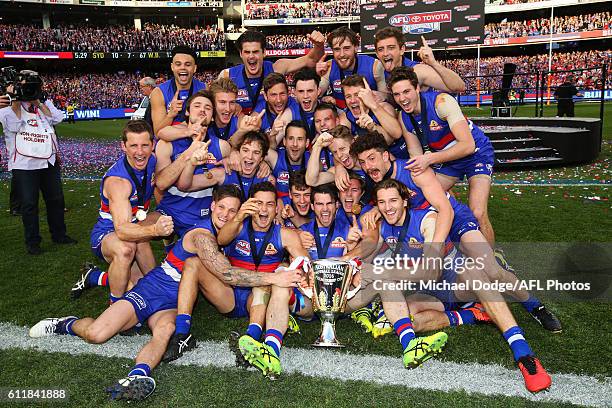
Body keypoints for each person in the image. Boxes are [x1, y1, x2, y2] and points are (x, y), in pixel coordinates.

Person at [362, 179, 552, 393]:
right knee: (402, 321)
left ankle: (525, 348)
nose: (388, 207)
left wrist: (381, 272)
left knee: (477, 272)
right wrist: (352, 263)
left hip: (455, 282)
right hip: (430, 293)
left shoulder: (427, 220)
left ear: (405, 201)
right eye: (382, 202)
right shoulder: (382, 225)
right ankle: (472, 314)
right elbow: (367, 252)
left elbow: (431, 272)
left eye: (393, 201)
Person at [216, 182, 309, 368]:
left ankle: (251, 337)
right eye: (259, 203)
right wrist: (238, 216)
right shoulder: (238, 226)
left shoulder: (286, 234)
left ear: (276, 208)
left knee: (269, 279)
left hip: (263, 292)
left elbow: (305, 262)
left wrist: (298, 270)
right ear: (250, 205)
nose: (264, 210)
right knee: (269, 279)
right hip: (234, 293)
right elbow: (221, 239)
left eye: (270, 204)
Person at [89, 120, 174, 303]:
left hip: (136, 226)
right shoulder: (118, 182)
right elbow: (122, 230)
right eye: (133, 146)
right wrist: (154, 231)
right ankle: (116, 304)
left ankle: (97, 277)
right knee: (126, 249)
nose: (140, 152)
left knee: (145, 285)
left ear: (153, 145)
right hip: (108, 233)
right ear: (123, 146)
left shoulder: (152, 160)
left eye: (145, 145)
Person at [0, 70, 76, 255]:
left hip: (49, 161)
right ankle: (33, 242)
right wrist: (16, 100)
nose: (28, 89)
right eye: (25, 86)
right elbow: (14, 126)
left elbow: (57, 118)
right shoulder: (6, 106)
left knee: (56, 200)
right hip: (25, 164)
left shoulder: (41, 103)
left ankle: (59, 234)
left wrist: (39, 102)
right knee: (29, 204)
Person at [219, 30, 325, 114]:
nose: (251, 56)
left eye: (255, 52)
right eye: (247, 52)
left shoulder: (276, 68)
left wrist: (319, 46)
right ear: (241, 54)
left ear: (264, 52)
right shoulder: (227, 75)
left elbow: (310, 60)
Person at [177, 130, 275, 201]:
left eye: (256, 153)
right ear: (238, 152)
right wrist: (191, 164)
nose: (250, 156)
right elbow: (184, 186)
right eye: (245, 150)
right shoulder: (223, 173)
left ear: (262, 158)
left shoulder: (267, 179)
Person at [374, 28, 466, 92]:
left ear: (402, 49)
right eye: (381, 49)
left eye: (391, 48)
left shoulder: (417, 71)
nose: (385, 53)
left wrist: (433, 63)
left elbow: (460, 87)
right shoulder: (375, 71)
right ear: (377, 54)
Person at [317, 27, 386, 109]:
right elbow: (315, 95)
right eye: (337, 49)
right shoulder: (329, 67)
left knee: (386, 107)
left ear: (356, 47)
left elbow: (387, 98)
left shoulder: (374, 66)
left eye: (346, 48)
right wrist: (317, 76)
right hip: (342, 114)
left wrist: (381, 96)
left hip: (369, 112)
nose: (342, 54)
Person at [149, 46, 206, 134]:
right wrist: (170, 115)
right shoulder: (158, 92)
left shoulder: (205, 89)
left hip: (197, 140)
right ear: (172, 67)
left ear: (194, 68)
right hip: (170, 144)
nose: (183, 67)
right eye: (178, 64)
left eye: (188, 64)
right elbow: (157, 132)